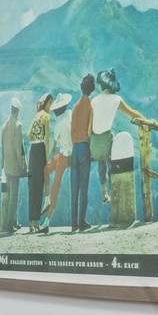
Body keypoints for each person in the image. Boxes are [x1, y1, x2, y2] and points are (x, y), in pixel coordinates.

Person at [89, 69, 149, 213]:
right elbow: (132, 112)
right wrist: (145, 121)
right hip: (107, 141)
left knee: (101, 158)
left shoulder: (94, 101)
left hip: (94, 144)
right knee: (112, 151)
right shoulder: (116, 100)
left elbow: (90, 126)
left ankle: (104, 191)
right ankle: (114, 193)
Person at [40, 92, 73, 230]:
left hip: (65, 156)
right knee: (52, 177)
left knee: (53, 181)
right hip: (71, 153)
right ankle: (47, 201)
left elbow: (54, 147)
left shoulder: (59, 125)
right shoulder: (70, 114)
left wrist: (49, 158)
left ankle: (46, 221)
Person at [69, 74, 95, 231]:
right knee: (84, 187)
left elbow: (72, 130)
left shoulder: (76, 107)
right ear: (91, 88)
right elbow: (90, 131)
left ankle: (73, 224)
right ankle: (82, 222)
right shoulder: (90, 106)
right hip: (85, 147)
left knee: (74, 188)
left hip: (74, 149)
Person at [0, 97, 26, 235]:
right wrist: (23, 165)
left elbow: (2, 148)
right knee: (14, 197)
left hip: (6, 167)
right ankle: (9, 226)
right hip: (15, 166)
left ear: (11, 109)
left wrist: (2, 164)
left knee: (7, 197)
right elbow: (19, 148)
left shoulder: (4, 125)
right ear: (18, 110)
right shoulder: (18, 125)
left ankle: (12, 223)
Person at [26, 92, 52, 233]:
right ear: (46, 103)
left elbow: (29, 135)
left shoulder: (36, 116)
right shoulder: (46, 117)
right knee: (39, 185)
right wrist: (46, 158)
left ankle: (31, 221)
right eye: (50, 103)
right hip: (41, 149)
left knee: (32, 186)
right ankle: (36, 220)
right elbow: (47, 139)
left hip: (33, 150)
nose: (51, 106)